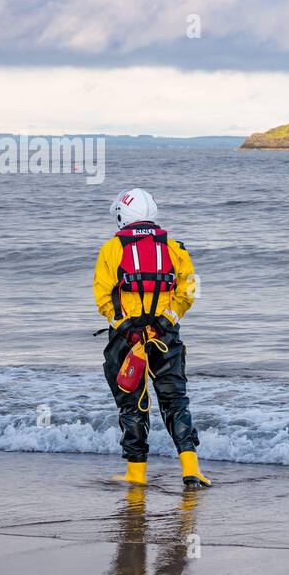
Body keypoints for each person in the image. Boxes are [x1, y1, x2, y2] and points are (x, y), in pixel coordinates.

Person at [93, 188, 210, 487]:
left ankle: (136, 474)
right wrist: (165, 321)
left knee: (131, 404)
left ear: (122, 216)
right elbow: (190, 289)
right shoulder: (174, 248)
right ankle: (190, 469)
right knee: (175, 400)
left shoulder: (111, 249)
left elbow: (103, 296)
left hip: (126, 339)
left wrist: (125, 327)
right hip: (165, 337)